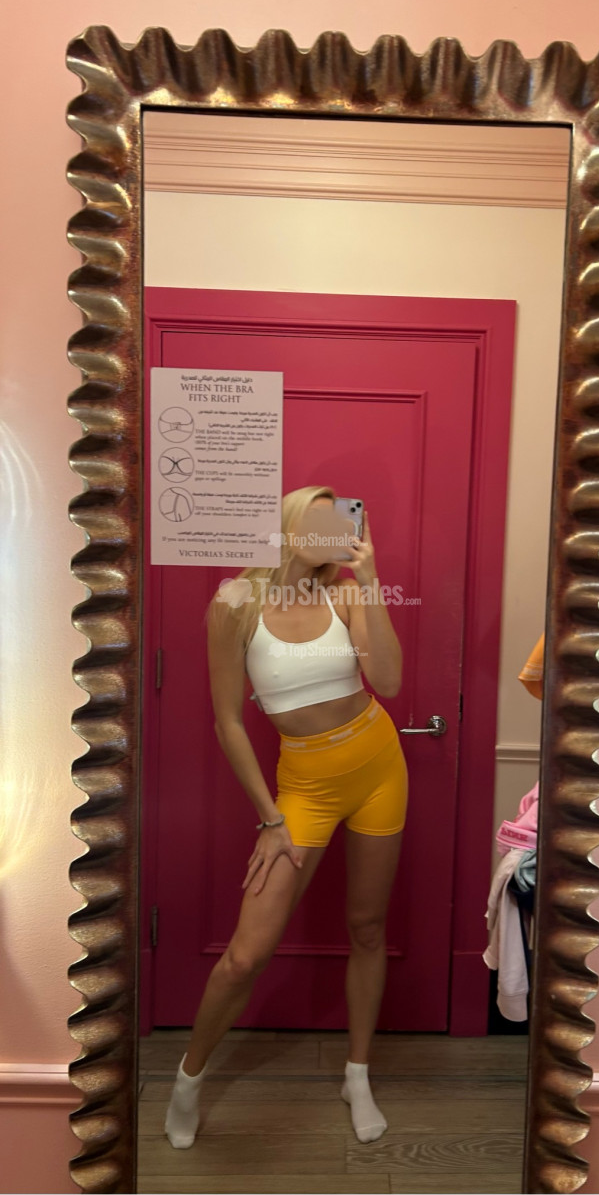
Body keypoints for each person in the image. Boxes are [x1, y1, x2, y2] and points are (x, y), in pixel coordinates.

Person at [164, 485, 409, 1149]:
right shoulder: (235, 602)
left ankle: (356, 1075)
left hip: (378, 767)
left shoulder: (347, 594)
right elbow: (227, 721)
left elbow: (387, 682)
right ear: (289, 523)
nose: (333, 528)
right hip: (304, 786)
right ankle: (187, 1080)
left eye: (341, 518)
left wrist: (371, 578)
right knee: (245, 955)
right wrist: (270, 818)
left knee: (367, 927)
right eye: (319, 516)